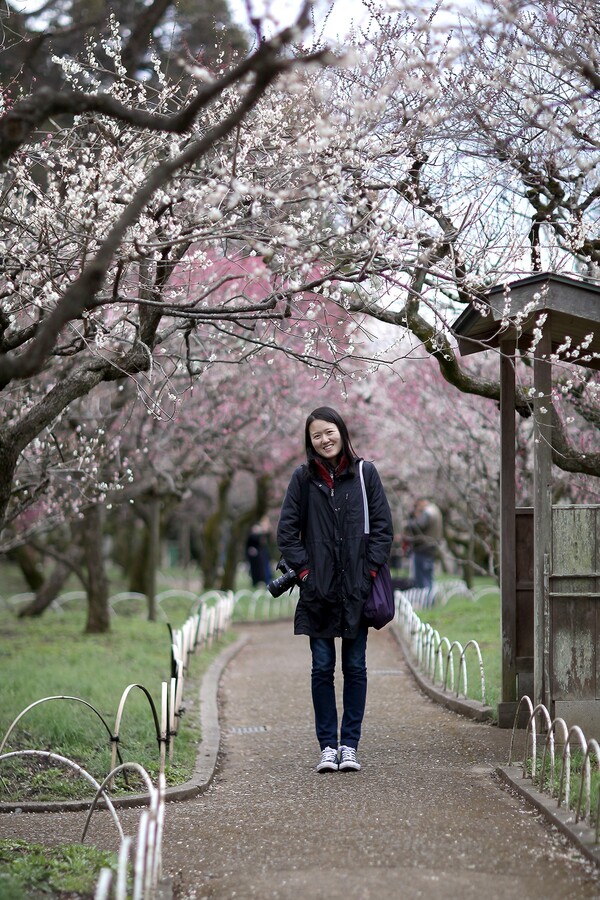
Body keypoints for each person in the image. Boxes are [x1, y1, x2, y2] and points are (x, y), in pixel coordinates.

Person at [276, 406, 393, 773]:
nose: (324, 440)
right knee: (322, 668)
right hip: (318, 592)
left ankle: (350, 745)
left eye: (329, 432)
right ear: (309, 442)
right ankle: (328, 746)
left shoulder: (364, 474)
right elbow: (286, 533)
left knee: (355, 667)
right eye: (316, 435)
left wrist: (369, 572)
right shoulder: (302, 479)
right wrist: (308, 573)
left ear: (341, 432)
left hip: (356, 590)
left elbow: (383, 530)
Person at [404, 498, 443, 593]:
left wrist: (408, 523)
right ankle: (429, 600)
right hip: (431, 547)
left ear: (422, 502)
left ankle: (425, 600)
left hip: (423, 548)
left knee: (422, 578)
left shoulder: (428, 512)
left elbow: (419, 525)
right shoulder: (435, 509)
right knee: (428, 576)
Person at [246, 516, 273, 586]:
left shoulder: (263, 529)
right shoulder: (253, 528)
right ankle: (258, 582)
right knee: (257, 569)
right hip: (255, 552)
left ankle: (266, 580)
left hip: (262, 551)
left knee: (265, 567)